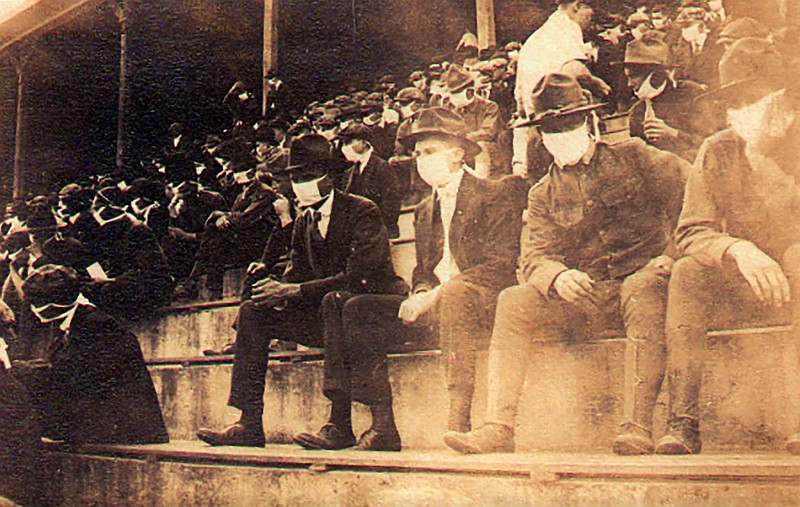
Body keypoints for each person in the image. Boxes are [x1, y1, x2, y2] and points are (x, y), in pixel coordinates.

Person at [443, 74, 689, 455]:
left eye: (570, 124)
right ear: (540, 134)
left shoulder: (635, 155)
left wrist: (670, 257)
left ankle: (637, 425)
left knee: (642, 288)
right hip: (589, 297)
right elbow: (534, 256)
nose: (562, 135)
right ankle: (498, 427)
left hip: (647, 286)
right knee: (514, 299)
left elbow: (693, 201)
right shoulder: (542, 192)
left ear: (590, 122)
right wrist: (556, 277)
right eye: (551, 129)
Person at [293, 108, 526, 453]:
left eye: (430, 151)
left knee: (457, 294)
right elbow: (423, 270)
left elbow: (500, 265)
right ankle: (383, 426)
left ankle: (458, 421)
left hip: (481, 301)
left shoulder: (495, 193)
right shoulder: (423, 210)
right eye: (417, 154)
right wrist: (420, 291)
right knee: (357, 308)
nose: (420, 160)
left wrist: (434, 296)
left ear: (458, 153)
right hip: (439, 304)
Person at [195, 134, 407, 447]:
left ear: (332, 177)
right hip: (329, 314)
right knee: (254, 312)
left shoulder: (362, 210)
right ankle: (248, 422)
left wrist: (292, 291)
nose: (299, 185)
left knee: (338, 302)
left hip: (370, 312)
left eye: (307, 177)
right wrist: (275, 291)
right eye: (294, 178)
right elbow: (297, 272)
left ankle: (339, 423)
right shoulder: (304, 220)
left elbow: (360, 276)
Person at [660, 37, 800, 455]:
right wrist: (737, 249)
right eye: (735, 103)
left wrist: (763, 159)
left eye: (755, 98)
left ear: (783, 97)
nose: (743, 111)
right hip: (748, 280)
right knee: (688, 272)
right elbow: (691, 231)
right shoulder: (718, 148)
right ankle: (682, 421)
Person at [21, 264, 168, 444]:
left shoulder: (98, 325)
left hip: (123, 424)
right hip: (104, 412)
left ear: (51, 305)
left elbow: (76, 376)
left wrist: (28, 371)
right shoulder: (80, 320)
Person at [513, 0, 610, 175]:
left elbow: (520, 104)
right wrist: (596, 83)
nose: (590, 19)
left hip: (536, 126)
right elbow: (573, 70)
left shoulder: (536, 37)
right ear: (578, 6)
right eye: (590, 12)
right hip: (563, 124)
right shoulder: (567, 28)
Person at [624, 34, 706, 161]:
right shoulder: (638, 112)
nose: (629, 84)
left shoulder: (691, 94)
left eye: (634, 76)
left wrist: (673, 134)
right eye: (628, 77)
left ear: (656, 74)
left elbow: (710, 142)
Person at [337, 123, 402, 238]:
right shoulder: (349, 173)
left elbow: (392, 203)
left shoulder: (382, 167)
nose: (345, 148)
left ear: (364, 143)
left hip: (380, 233)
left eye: (349, 142)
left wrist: (381, 230)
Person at [442, 65, 504, 178]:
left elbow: (488, 133)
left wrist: (462, 137)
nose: (453, 98)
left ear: (470, 92)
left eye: (456, 94)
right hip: (459, 152)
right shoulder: (448, 107)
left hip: (486, 156)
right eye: (452, 94)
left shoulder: (489, 107)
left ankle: (482, 181)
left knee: (481, 145)